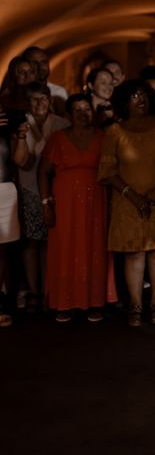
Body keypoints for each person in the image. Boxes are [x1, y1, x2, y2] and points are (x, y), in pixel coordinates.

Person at [98, 80, 155, 327]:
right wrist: (133, 195)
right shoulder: (114, 132)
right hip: (127, 200)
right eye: (133, 96)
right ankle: (136, 305)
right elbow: (107, 171)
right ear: (123, 102)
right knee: (134, 253)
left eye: (143, 94)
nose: (140, 99)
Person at [37, 94, 115, 322]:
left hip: (96, 204)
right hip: (65, 204)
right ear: (69, 115)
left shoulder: (103, 137)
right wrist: (45, 204)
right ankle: (64, 302)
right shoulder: (57, 138)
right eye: (77, 110)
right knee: (65, 248)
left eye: (87, 109)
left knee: (95, 248)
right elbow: (43, 172)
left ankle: (94, 302)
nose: (83, 114)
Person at [13, 82, 70, 312]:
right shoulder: (20, 123)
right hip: (28, 189)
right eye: (34, 99)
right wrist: (22, 136)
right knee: (31, 243)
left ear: (50, 100)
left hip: (55, 191)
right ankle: (34, 290)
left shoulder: (62, 124)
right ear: (28, 101)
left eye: (43, 99)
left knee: (51, 242)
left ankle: (49, 288)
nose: (39, 104)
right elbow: (21, 161)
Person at [0, 105, 20, 327]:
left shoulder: (5, 120)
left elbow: (20, 159)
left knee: (2, 248)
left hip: (4, 189)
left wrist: (21, 136)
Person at [23, 46, 68, 116]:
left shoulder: (59, 92)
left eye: (43, 62)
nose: (40, 66)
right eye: (34, 63)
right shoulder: (16, 94)